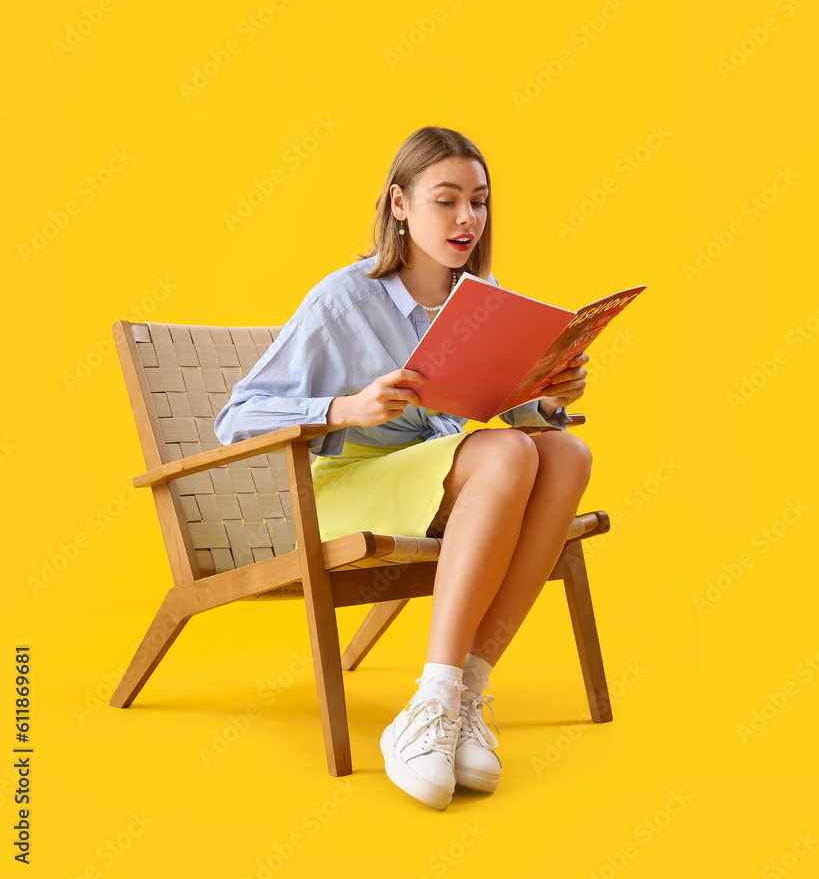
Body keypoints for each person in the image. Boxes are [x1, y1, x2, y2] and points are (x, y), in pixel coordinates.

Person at [214, 125, 592, 810]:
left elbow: (488, 411)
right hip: (348, 491)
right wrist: (344, 408)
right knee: (507, 451)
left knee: (566, 451)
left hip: (441, 475)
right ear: (399, 204)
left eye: (477, 201)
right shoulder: (342, 298)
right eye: (445, 200)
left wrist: (545, 396)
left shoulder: (479, 296)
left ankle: (466, 697)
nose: (466, 219)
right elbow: (234, 417)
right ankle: (432, 701)